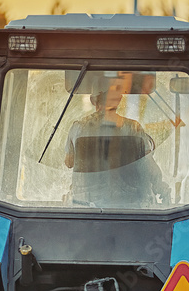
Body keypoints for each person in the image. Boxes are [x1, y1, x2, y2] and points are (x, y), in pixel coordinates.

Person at [64, 71, 168, 208]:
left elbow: (69, 162)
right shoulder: (133, 128)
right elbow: (148, 166)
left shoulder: (77, 128)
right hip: (129, 210)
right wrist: (163, 191)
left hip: (86, 209)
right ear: (118, 100)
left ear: (92, 100)